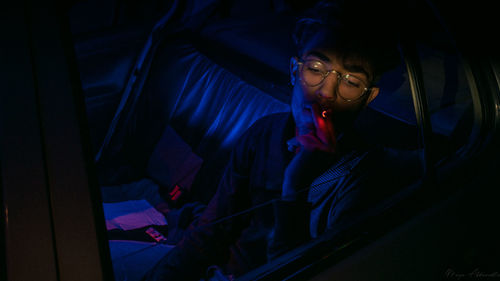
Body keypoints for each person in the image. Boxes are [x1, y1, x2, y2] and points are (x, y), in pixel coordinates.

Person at [142, 0, 405, 280]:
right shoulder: (263, 134)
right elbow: (210, 232)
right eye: (315, 68)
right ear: (295, 71)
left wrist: (296, 187)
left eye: (351, 82)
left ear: (368, 97)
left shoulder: (362, 179)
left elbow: (302, 271)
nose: (327, 92)